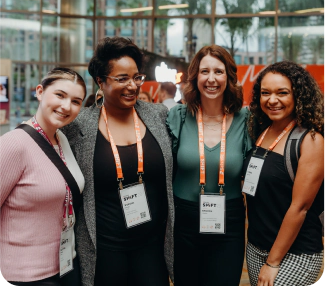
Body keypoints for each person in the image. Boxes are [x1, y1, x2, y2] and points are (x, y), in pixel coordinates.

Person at [61, 37, 174, 286]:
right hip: (104, 250)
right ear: (100, 81)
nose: (132, 86)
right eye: (122, 79)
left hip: (152, 248)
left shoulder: (159, 116)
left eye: (137, 77)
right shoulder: (79, 127)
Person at [166, 45, 251, 286]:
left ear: (229, 77)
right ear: (195, 77)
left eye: (219, 72)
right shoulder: (178, 117)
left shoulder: (247, 120)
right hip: (184, 219)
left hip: (230, 219)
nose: (211, 79)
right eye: (205, 71)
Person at [0, 68, 86, 285]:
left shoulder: (62, 140)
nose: (66, 106)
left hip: (66, 264)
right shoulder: (13, 144)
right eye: (60, 95)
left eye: (76, 101)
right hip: (26, 274)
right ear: (40, 91)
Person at [242, 61, 325, 286]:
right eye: (265, 93)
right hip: (257, 246)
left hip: (296, 253)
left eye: (282, 93)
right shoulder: (261, 129)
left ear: (298, 95)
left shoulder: (310, 140)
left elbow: (300, 207)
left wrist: (273, 262)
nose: (272, 100)